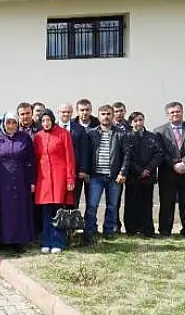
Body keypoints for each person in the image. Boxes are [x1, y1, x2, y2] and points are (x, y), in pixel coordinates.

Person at [83, 105, 132, 244]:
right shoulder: (91, 133)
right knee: (92, 205)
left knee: (112, 205)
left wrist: (122, 173)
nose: (106, 116)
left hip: (114, 176)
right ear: (98, 116)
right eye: (103, 114)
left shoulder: (121, 134)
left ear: (112, 116)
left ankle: (109, 231)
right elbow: (86, 155)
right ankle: (89, 232)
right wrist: (86, 172)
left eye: (108, 114)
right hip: (95, 176)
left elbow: (127, 155)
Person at [0, 112, 36, 251]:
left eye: (13, 123)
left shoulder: (25, 138)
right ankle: (1, 241)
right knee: (1, 210)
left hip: (21, 181)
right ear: (3, 123)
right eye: (8, 123)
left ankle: (17, 241)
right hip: (0, 181)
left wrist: (32, 181)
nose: (11, 126)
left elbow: (31, 161)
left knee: (18, 210)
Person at [154, 102, 185, 237]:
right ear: (167, 115)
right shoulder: (159, 131)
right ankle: (164, 231)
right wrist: (174, 164)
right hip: (168, 173)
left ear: (182, 112)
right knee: (167, 203)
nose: (175, 114)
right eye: (172, 112)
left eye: (178, 111)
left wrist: (184, 162)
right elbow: (160, 152)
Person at [33, 110, 75, 253]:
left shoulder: (64, 133)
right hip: (43, 180)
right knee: (45, 212)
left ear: (52, 120)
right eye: (43, 121)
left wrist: (70, 179)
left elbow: (70, 158)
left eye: (48, 120)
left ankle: (58, 242)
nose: (45, 123)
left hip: (60, 179)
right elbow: (35, 160)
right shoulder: (37, 137)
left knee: (59, 212)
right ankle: (46, 241)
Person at [124, 112, 163, 237]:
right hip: (132, 176)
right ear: (131, 123)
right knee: (131, 203)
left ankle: (147, 230)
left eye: (140, 120)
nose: (138, 123)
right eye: (135, 121)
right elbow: (126, 157)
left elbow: (159, 154)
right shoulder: (126, 136)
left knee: (147, 204)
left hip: (148, 176)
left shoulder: (152, 136)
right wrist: (139, 170)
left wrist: (148, 169)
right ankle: (131, 229)